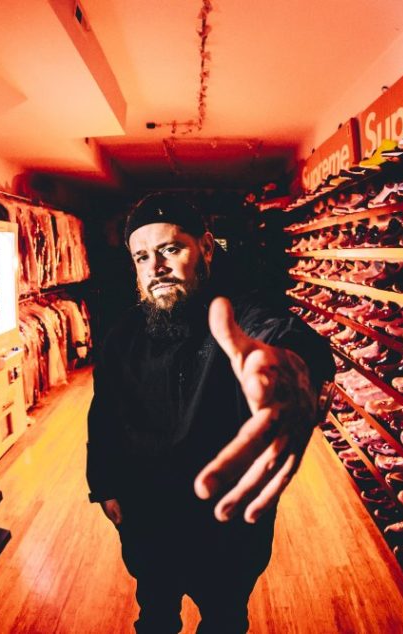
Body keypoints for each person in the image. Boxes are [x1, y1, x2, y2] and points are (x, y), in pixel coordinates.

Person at [86, 192, 334, 634]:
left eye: (170, 249)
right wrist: (104, 486)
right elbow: (103, 416)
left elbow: (280, 334)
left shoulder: (239, 318)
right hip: (149, 517)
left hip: (225, 524)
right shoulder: (122, 336)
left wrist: (293, 365)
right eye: (142, 257)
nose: (156, 267)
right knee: (155, 615)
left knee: (224, 619)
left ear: (205, 247)